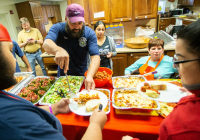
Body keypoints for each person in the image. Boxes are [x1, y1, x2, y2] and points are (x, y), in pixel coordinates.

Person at [0, 23, 107, 140]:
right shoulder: (17, 124)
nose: (14, 58)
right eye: (10, 50)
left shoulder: (4, 98)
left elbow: (23, 113)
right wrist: (96, 125)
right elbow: (46, 43)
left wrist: (54, 108)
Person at [122, 20, 200, 140]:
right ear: (148, 51)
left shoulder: (169, 62)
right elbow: (128, 70)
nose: (156, 51)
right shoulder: (142, 60)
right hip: (145, 95)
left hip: (165, 97)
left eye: (179, 60)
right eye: (153, 49)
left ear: (163, 50)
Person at [43, 3, 100, 90]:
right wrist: (58, 50)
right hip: (63, 76)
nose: (77, 27)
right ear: (66, 19)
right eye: (73, 23)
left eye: (80, 23)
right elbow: (46, 44)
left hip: (83, 75)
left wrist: (90, 76)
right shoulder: (57, 28)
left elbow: (95, 57)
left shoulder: (89, 33)